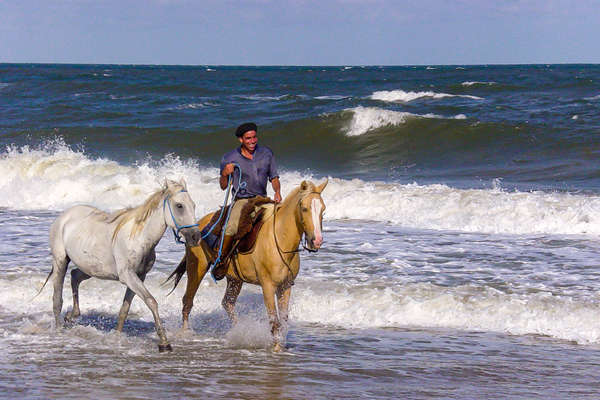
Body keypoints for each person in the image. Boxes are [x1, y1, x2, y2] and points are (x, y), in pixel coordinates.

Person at [211, 122, 281, 280]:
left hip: (262, 199)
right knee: (232, 227)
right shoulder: (229, 158)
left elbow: (274, 178)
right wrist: (224, 173)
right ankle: (221, 259)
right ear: (240, 140)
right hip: (242, 200)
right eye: (248, 138)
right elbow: (223, 186)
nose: (252, 141)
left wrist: (277, 192)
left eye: (254, 137)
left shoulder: (266, 153)